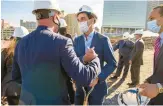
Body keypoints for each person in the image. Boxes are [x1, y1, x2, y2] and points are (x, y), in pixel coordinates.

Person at [12, 0, 101, 105]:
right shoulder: (62, 42)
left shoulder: (21, 43)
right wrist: (95, 60)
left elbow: (16, 78)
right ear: (55, 17)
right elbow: (84, 77)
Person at [74, 5, 117, 105]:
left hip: (97, 88)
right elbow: (74, 61)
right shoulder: (77, 40)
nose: (80, 22)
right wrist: (84, 59)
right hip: (80, 87)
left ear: (92, 20)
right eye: (79, 20)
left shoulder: (103, 40)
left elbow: (112, 63)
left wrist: (98, 78)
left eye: (83, 18)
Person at [138, 5, 163, 105]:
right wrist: (149, 80)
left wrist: (160, 88)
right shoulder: (158, 40)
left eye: (152, 18)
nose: (149, 22)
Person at [1, 26, 29, 105]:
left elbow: (1, 72)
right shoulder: (31, 52)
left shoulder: (6, 52)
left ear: (14, 38)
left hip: (10, 88)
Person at [58, 18, 75, 104]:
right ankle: (72, 101)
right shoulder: (68, 36)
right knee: (68, 82)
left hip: (58, 64)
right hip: (67, 63)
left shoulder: (53, 36)